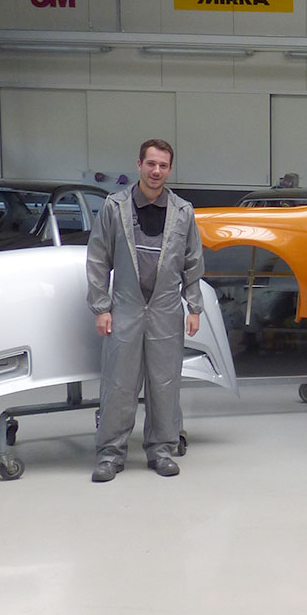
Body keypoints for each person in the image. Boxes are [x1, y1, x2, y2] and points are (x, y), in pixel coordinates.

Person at [86, 139, 204, 482]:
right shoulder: (115, 207)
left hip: (166, 308)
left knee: (165, 383)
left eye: (163, 165)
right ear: (139, 164)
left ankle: (162, 450)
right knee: (118, 383)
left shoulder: (183, 211)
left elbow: (193, 261)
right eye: (151, 164)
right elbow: (98, 258)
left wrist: (194, 306)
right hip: (125, 306)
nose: (156, 171)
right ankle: (110, 454)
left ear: (170, 169)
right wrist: (101, 307)